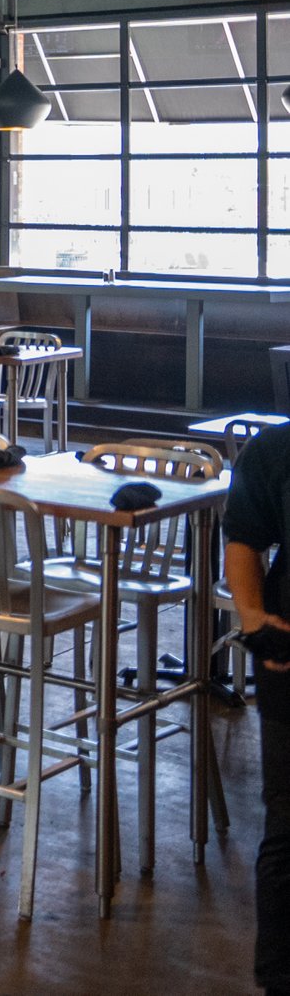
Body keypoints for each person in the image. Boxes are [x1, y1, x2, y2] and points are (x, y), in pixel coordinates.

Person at [224, 418, 290, 996]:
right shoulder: (276, 450)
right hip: (288, 664)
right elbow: (244, 538)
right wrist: (254, 620)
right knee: (288, 828)